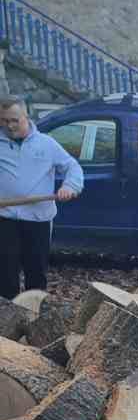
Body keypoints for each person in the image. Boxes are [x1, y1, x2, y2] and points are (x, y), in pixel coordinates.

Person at [0, 96, 83, 301]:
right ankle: (6, 321)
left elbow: (72, 167)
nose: (9, 126)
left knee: (36, 273)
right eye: (4, 120)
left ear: (26, 117)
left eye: (14, 120)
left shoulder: (47, 144)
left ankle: (34, 319)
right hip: (5, 218)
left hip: (38, 220)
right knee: (5, 273)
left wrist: (70, 186)